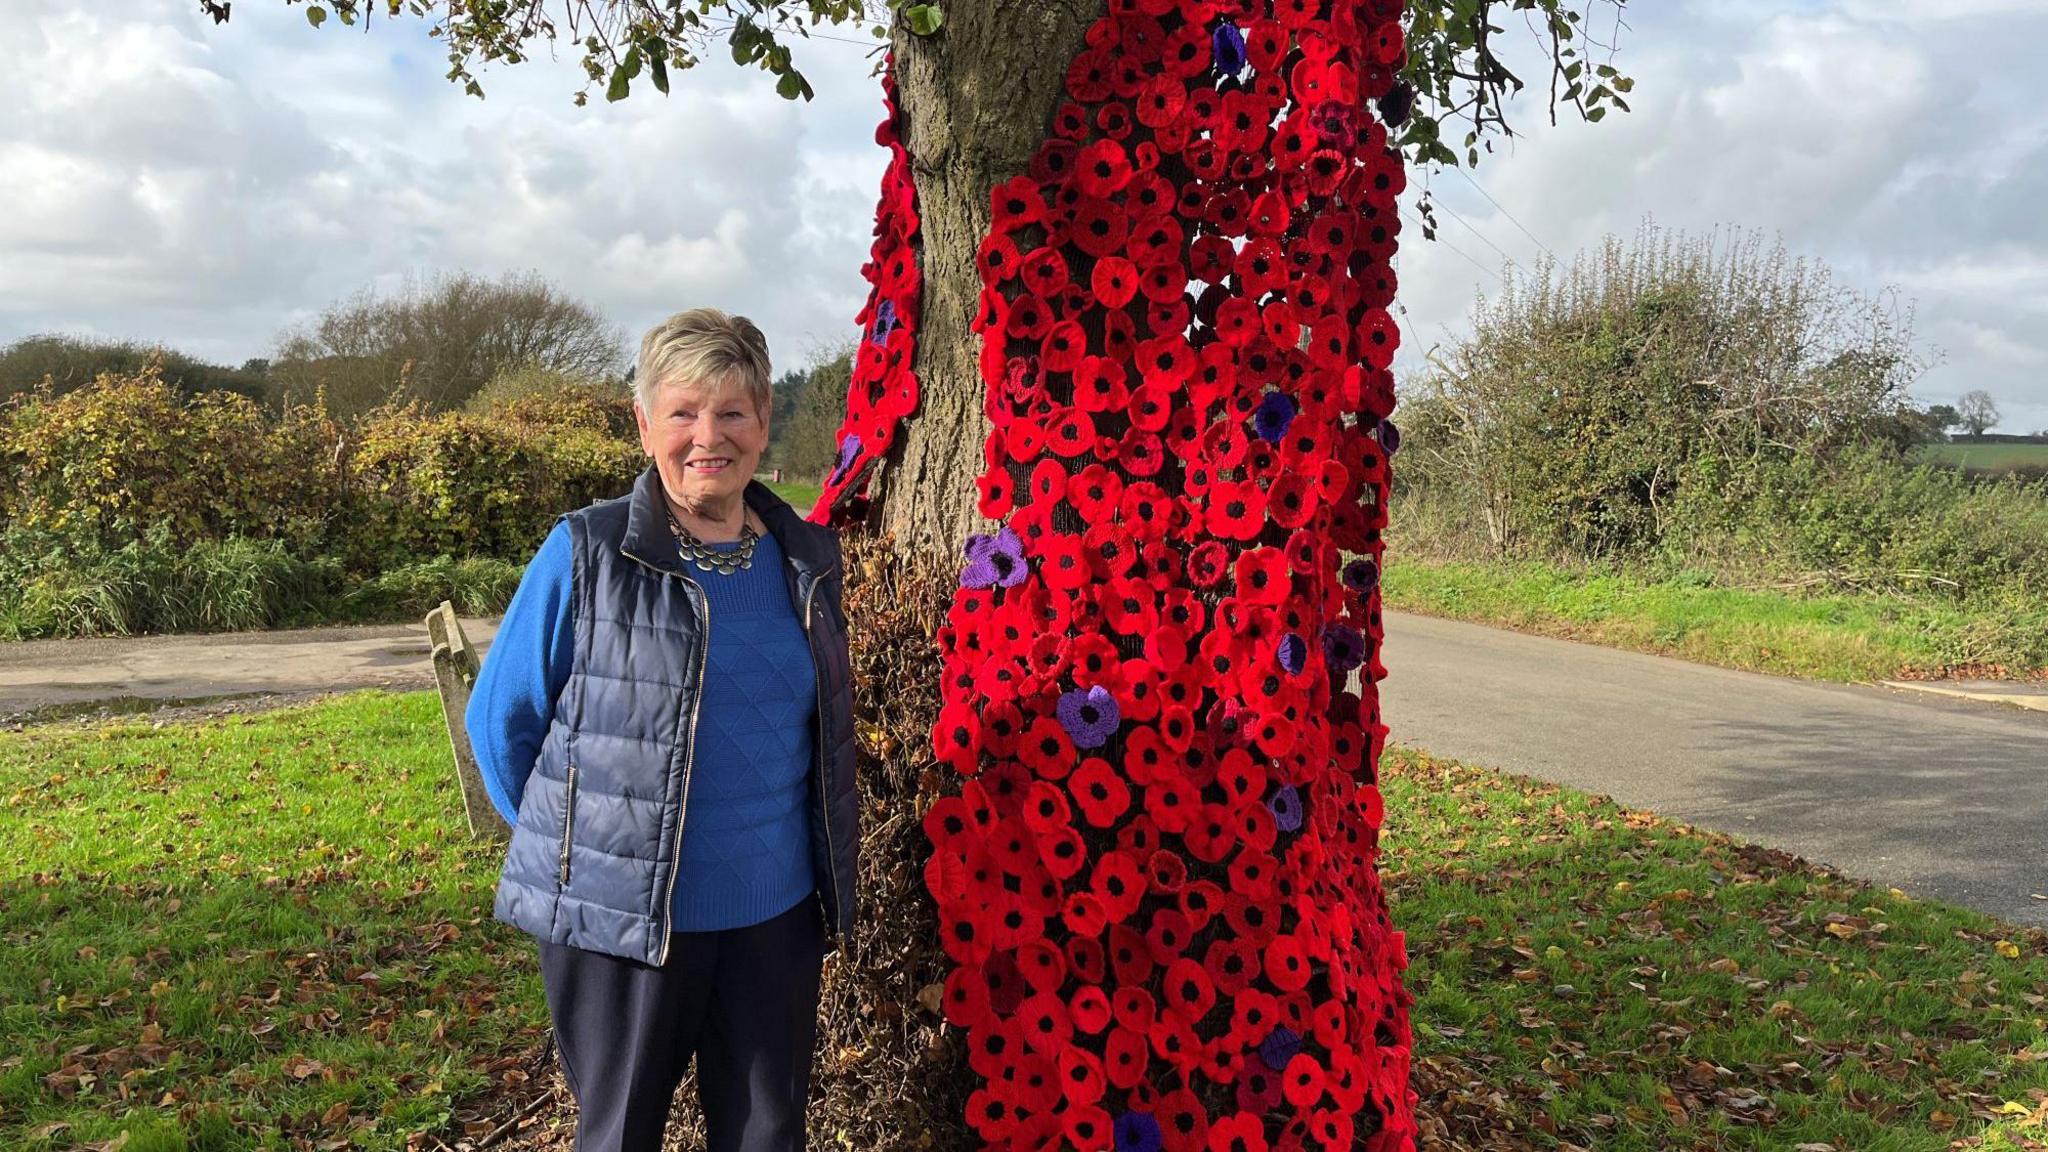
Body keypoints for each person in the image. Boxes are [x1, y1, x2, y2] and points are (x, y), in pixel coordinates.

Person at [466, 307, 857, 1152]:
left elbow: (816, 738)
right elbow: (503, 726)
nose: (706, 436)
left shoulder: (807, 561)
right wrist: (582, 858)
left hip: (773, 920)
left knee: (767, 1136)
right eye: (682, 411)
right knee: (619, 1137)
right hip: (624, 926)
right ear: (644, 423)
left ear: (763, 424)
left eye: (732, 412)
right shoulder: (587, 551)